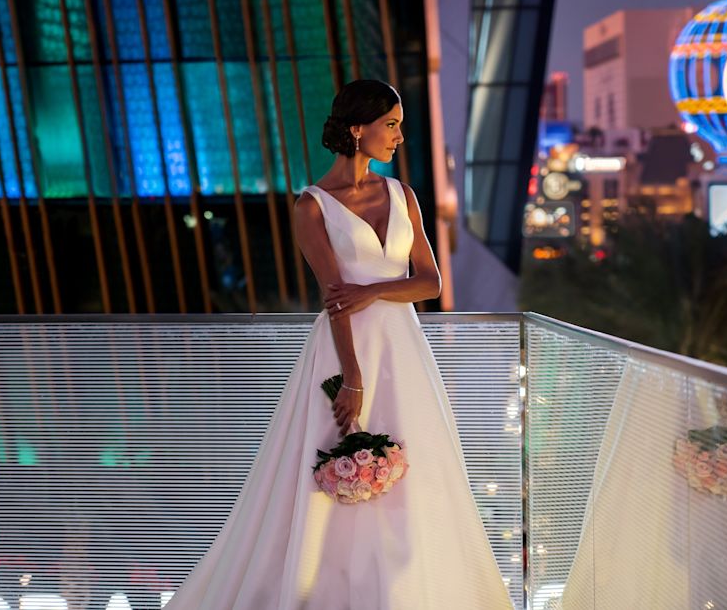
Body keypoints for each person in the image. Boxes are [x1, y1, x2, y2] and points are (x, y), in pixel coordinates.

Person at [161, 80, 513, 609]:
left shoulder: (402, 194)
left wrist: (371, 289)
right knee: (331, 468)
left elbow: (430, 283)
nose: (399, 135)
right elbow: (334, 301)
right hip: (342, 353)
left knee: (419, 473)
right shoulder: (312, 207)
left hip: (403, 352)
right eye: (390, 124)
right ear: (357, 129)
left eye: (398, 123)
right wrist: (351, 377)